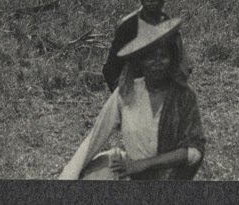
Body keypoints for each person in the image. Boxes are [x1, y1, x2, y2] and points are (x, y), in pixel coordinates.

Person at [62, 18, 205, 180]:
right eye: (150, 57)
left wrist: (144, 164)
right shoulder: (127, 93)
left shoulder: (184, 96)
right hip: (134, 176)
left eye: (163, 56)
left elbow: (195, 151)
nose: (157, 63)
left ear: (172, 59)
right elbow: (94, 138)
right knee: (103, 165)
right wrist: (67, 177)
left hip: (170, 179)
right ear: (140, 61)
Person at [102, 0, 188, 91]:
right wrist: (123, 97)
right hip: (135, 91)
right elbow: (111, 68)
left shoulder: (168, 26)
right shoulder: (129, 26)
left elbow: (179, 64)